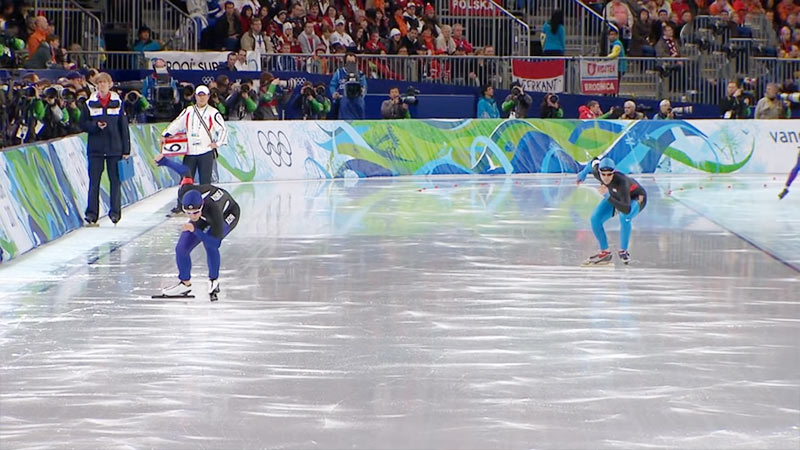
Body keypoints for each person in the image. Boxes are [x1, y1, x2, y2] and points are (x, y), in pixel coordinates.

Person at [154, 154, 240, 301]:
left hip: (227, 213)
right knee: (181, 249)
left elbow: (215, 242)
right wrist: (164, 161)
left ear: (201, 207)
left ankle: (214, 281)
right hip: (205, 214)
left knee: (209, 245)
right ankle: (184, 284)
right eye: (188, 213)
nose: (192, 216)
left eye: (195, 212)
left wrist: (196, 230)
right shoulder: (184, 191)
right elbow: (185, 170)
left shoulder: (213, 211)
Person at [161, 85, 228, 214]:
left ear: (208, 97)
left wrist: (218, 143)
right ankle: (181, 205)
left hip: (205, 151)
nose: (202, 98)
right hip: (190, 151)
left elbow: (223, 129)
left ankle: (206, 206)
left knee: (205, 181)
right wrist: (166, 134)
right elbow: (177, 124)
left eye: (204, 95)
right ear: (195, 96)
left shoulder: (213, 112)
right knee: (186, 179)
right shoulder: (189, 111)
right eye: (199, 95)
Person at [80, 72, 131, 226]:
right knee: (94, 182)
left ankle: (115, 213)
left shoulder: (118, 102)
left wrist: (126, 149)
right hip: (95, 150)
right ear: (96, 85)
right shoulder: (89, 104)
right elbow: (82, 123)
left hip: (114, 149)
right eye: (99, 82)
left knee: (115, 182)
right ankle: (91, 214)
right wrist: (95, 126)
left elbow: (124, 127)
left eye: (104, 82)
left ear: (110, 84)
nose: (102, 85)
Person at [576, 157, 647, 265]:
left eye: (609, 174)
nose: (606, 178)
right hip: (615, 196)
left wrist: (607, 197)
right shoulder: (596, 171)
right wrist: (583, 173)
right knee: (595, 219)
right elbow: (593, 161)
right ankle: (605, 252)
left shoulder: (621, 182)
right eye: (603, 174)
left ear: (613, 173)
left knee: (625, 217)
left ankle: (623, 251)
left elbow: (626, 209)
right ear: (599, 172)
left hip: (636, 198)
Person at [329, 52, 367, 119]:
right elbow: (332, 85)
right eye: (349, 61)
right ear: (345, 62)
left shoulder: (360, 74)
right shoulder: (339, 72)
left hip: (356, 101)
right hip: (342, 101)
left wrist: (361, 93)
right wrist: (334, 93)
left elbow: (364, 87)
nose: (351, 64)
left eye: (353, 62)